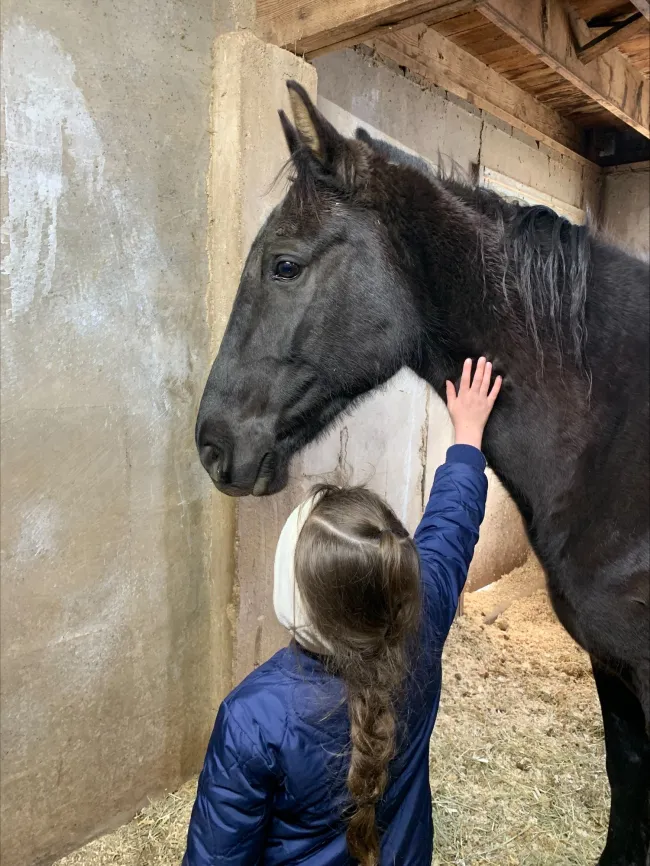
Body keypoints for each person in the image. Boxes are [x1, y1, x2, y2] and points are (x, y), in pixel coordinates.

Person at [183, 357, 502, 866]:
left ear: (295, 600)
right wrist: (467, 438)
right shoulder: (423, 615)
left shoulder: (252, 720)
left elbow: (216, 858)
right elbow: (451, 527)